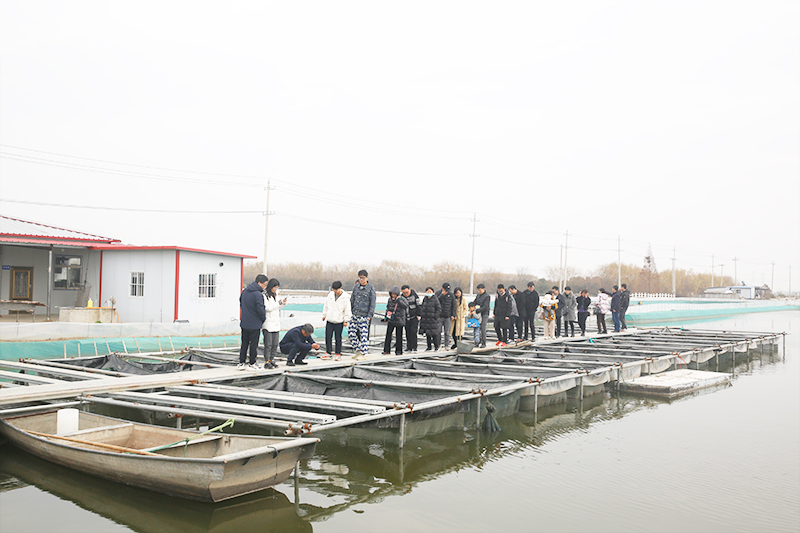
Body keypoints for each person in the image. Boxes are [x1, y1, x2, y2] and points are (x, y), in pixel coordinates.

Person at [239, 274, 268, 370]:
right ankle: (252, 363)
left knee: (244, 343)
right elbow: (260, 309)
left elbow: (241, 303)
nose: (265, 287)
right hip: (254, 324)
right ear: (259, 283)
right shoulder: (258, 294)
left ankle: (241, 362)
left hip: (244, 322)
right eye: (264, 284)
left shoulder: (245, 291)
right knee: (253, 344)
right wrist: (263, 319)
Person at [349, 269, 376, 360]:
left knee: (363, 335)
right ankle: (358, 350)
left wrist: (370, 315)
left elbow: (372, 303)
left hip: (364, 315)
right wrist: (351, 311)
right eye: (360, 278)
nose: (361, 280)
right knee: (351, 333)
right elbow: (352, 300)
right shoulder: (356, 287)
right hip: (355, 314)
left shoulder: (370, 288)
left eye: (363, 278)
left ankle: (364, 353)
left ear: (367, 278)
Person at [322, 280, 351, 360]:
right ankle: (328, 352)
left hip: (339, 321)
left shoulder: (345, 298)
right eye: (333, 289)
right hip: (330, 319)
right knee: (328, 337)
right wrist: (324, 314)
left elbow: (347, 310)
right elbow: (326, 305)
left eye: (336, 289)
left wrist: (346, 320)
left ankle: (338, 353)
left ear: (340, 288)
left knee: (338, 338)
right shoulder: (330, 295)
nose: (335, 291)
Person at [262, 278, 287, 369]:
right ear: (270, 286)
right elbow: (267, 308)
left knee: (275, 344)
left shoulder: (276, 295)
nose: (276, 289)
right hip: (268, 323)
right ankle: (266, 361)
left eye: (277, 288)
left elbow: (277, 307)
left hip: (276, 322)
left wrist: (283, 303)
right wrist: (278, 303)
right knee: (268, 344)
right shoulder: (264, 295)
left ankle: (271, 359)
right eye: (274, 287)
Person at [382, 286, 409, 355]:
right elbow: (388, 308)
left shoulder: (402, 299)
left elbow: (405, 306)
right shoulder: (390, 300)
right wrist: (386, 317)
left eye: (394, 294)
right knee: (388, 335)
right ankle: (386, 350)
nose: (393, 295)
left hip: (399, 320)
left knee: (399, 336)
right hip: (391, 319)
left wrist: (398, 300)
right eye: (392, 294)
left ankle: (399, 351)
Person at [435, 283, 456, 350]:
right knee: (438, 331)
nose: (447, 291)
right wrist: (442, 295)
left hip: (448, 316)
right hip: (439, 316)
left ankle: (446, 345)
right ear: (442, 288)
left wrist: (453, 315)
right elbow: (435, 302)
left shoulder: (451, 295)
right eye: (445, 290)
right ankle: (438, 345)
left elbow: (454, 305)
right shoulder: (438, 293)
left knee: (447, 332)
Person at [401, 285, 420, 352]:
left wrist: (419, 315)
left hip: (414, 317)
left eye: (407, 292)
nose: (405, 294)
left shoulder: (415, 296)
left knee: (413, 332)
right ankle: (409, 347)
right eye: (404, 293)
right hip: (406, 318)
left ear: (409, 290)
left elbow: (419, 306)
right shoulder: (401, 297)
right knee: (407, 332)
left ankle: (414, 347)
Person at [471, 283, 491, 348]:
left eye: (480, 290)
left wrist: (476, 311)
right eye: (478, 290)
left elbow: (485, 306)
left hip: (484, 313)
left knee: (483, 328)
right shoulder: (478, 295)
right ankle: (477, 342)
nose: (479, 291)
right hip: (478, 314)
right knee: (477, 327)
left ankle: (483, 342)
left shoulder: (487, 296)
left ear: (483, 289)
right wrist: (471, 307)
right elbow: (475, 302)